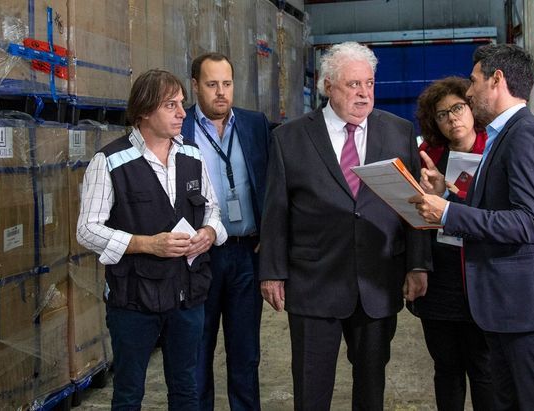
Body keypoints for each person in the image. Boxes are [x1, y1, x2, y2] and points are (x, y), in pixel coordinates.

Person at [259, 41, 432, 410]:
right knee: (311, 389)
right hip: (313, 282)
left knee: (371, 389)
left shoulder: (399, 131)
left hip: (377, 281)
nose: (364, 93)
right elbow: (276, 211)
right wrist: (272, 272)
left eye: (369, 83)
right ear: (328, 86)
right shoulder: (289, 138)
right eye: (353, 84)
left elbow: (414, 206)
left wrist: (418, 264)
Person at [410, 43, 534, 409]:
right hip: (507, 307)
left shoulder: (525, 136)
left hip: (525, 307)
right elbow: (497, 208)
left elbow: (528, 223)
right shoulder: (507, 135)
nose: (468, 92)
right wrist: (445, 197)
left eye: (473, 81)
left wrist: (447, 214)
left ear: (496, 80)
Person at [76, 69, 227, 410]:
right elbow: (86, 229)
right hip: (134, 300)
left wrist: (209, 233)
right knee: (129, 393)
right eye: (170, 105)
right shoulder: (110, 162)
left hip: (187, 295)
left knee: (186, 388)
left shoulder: (192, 155)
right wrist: (146, 244)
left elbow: (212, 210)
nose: (182, 113)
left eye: (182, 104)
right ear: (144, 110)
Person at [180, 52, 271, 411]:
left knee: (246, 353)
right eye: (212, 84)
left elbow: (272, 183)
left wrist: (270, 235)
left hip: (247, 254)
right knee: (197, 352)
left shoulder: (255, 124)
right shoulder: (181, 126)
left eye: (227, 84)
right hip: (199, 256)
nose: (221, 92)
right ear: (195, 86)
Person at [409, 76, 493, 411]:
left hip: (482, 276)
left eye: (457, 108)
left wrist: (447, 196)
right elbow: (413, 219)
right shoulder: (428, 158)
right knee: (446, 368)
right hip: (441, 278)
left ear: (472, 108)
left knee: (484, 368)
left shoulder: (494, 150)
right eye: (442, 114)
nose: (452, 118)